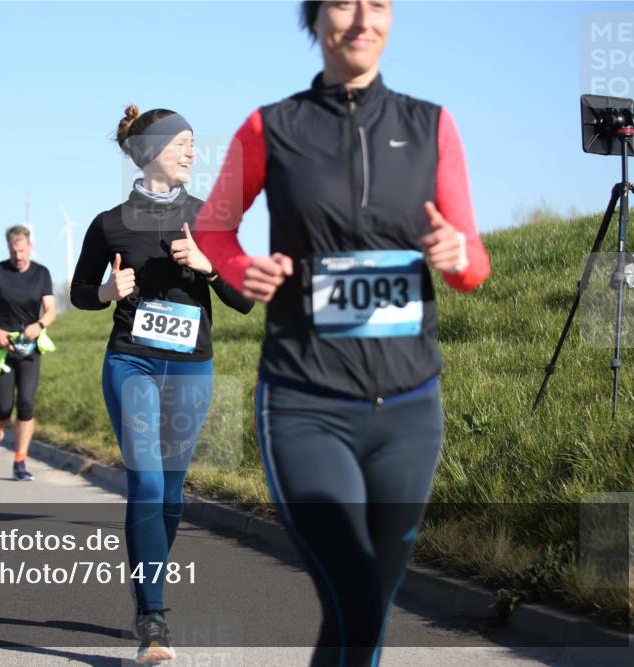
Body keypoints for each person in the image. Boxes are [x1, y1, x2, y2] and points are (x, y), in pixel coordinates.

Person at [193, 3, 491, 665]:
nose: (361, 18)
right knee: (357, 595)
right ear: (315, 18)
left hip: (409, 408)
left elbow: (474, 258)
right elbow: (213, 229)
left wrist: (456, 255)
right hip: (305, 402)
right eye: (343, 2)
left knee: (365, 619)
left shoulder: (432, 125)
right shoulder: (270, 127)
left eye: (378, 3)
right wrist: (246, 271)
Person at [70, 105, 253, 664]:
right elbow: (80, 292)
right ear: (151, 151)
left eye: (194, 144)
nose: (193, 154)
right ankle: (153, 616)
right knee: (147, 485)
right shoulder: (111, 223)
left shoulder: (209, 216)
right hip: (133, 363)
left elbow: (244, 299)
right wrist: (109, 289)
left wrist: (209, 265)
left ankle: (145, 580)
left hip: (191, 367)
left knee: (172, 494)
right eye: (182, 145)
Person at [0, 225, 57, 482]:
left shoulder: (41, 273)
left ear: (30, 246)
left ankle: (20, 461)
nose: (19, 256)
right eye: (14, 252)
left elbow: (51, 310)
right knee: (3, 408)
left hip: (30, 347)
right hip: (3, 347)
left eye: (22, 251)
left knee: (26, 404)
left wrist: (40, 324)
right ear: (8, 248)